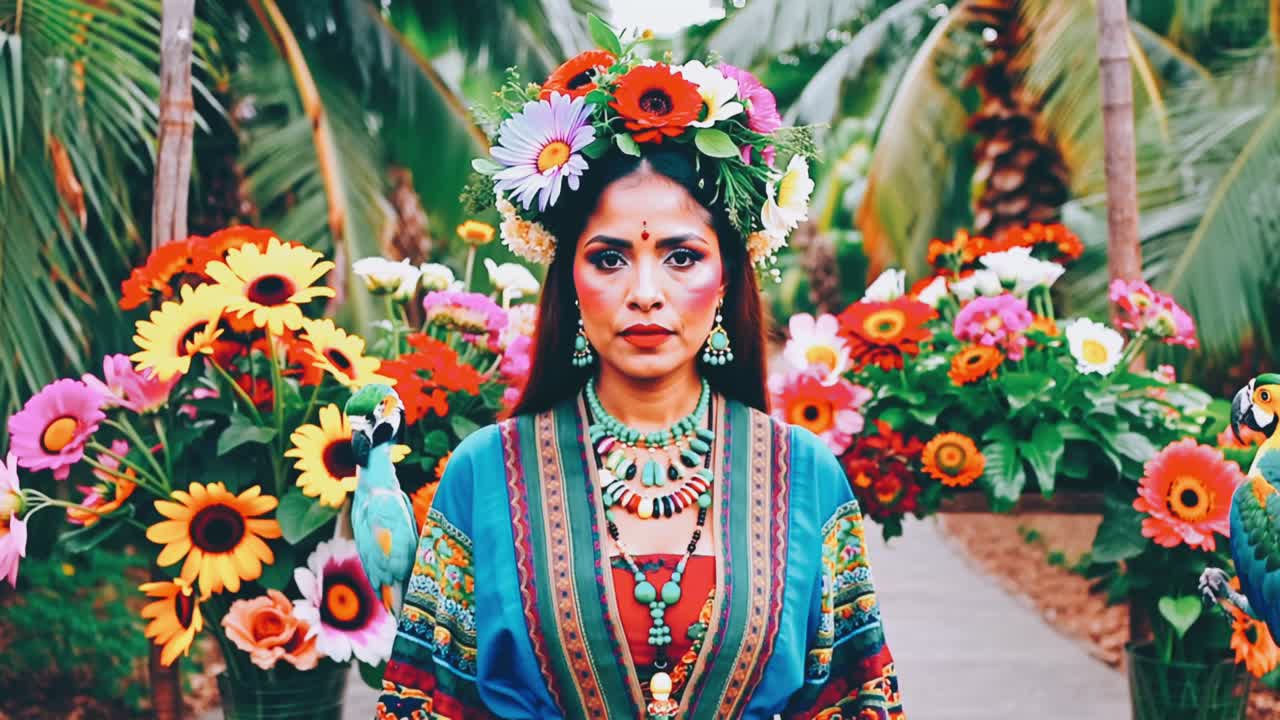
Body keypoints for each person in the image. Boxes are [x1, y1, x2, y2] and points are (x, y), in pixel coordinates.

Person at [375, 39, 904, 720]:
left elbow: (857, 704)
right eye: (609, 258)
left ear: (725, 282)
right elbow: (423, 705)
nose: (645, 292)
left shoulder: (802, 476)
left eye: (682, 256)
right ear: (568, 280)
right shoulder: (485, 474)